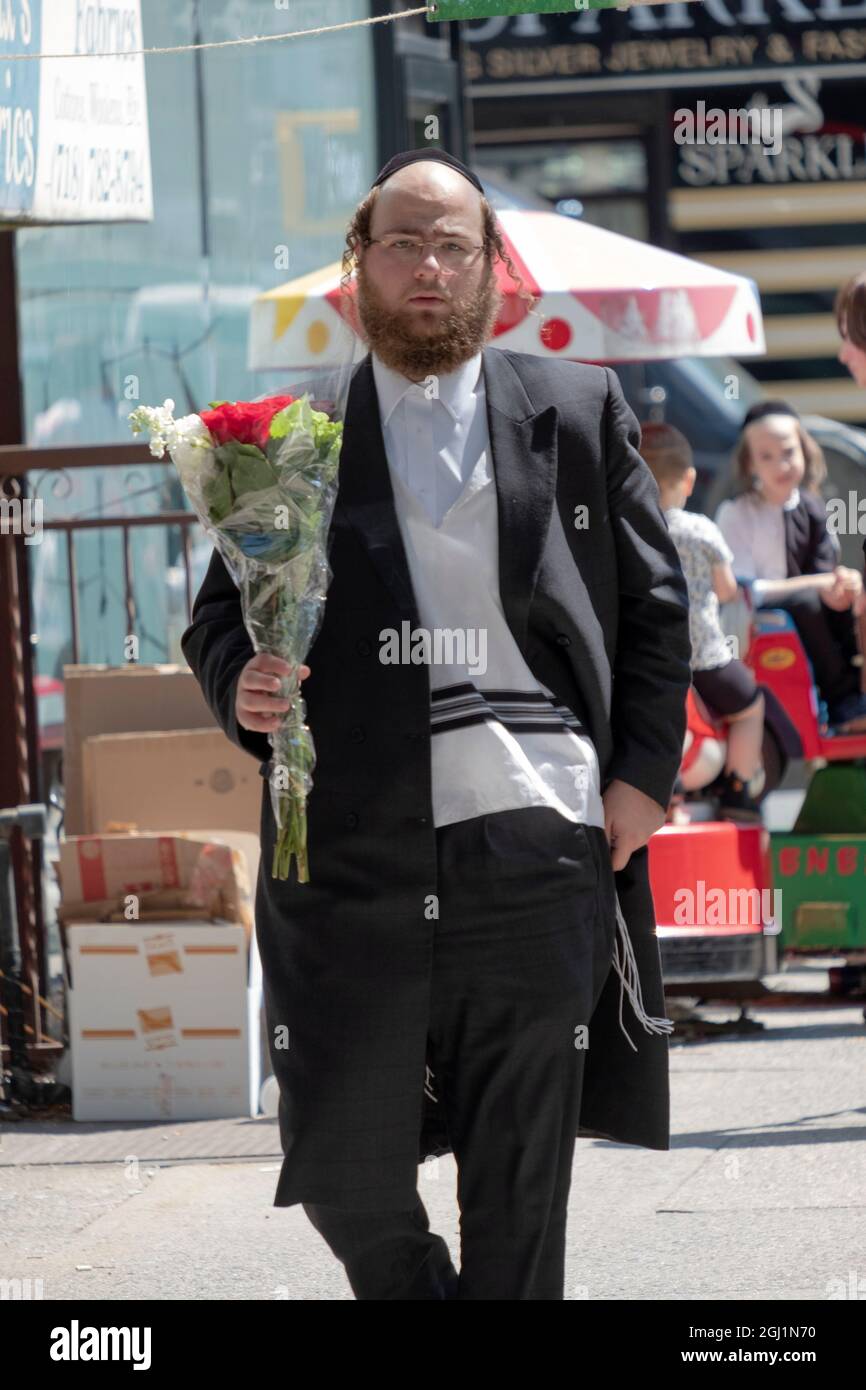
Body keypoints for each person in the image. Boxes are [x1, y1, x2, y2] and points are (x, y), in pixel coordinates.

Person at [181, 148, 692, 1301]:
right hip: (351, 852)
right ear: (354, 267)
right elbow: (220, 621)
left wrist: (639, 783)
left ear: (492, 271)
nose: (427, 265)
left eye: (451, 244)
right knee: (339, 1167)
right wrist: (242, 686)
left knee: (518, 1193)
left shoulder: (574, 407)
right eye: (401, 241)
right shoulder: (284, 436)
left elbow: (660, 608)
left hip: (536, 841)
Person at [716, 402, 866, 734]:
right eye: (766, 456)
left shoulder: (812, 507)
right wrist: (816, 585)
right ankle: (841, 701)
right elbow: (744, 587)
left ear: (805, 452)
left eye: (788, 452)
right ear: (749, 463)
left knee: (848, 600)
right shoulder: (737, 513)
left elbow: (826, 566)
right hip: (755, 615)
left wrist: (844, 585)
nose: (781, 465)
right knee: (808, 602)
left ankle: (857, 689)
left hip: (809, 604)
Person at [641, 422, 764, 821]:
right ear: (689, 479)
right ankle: (739, 788)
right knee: (749, 705)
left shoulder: (633, 530)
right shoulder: (701, 530)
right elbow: (727, 589)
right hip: (705, 657)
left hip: (651, 654)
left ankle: (667, 792)